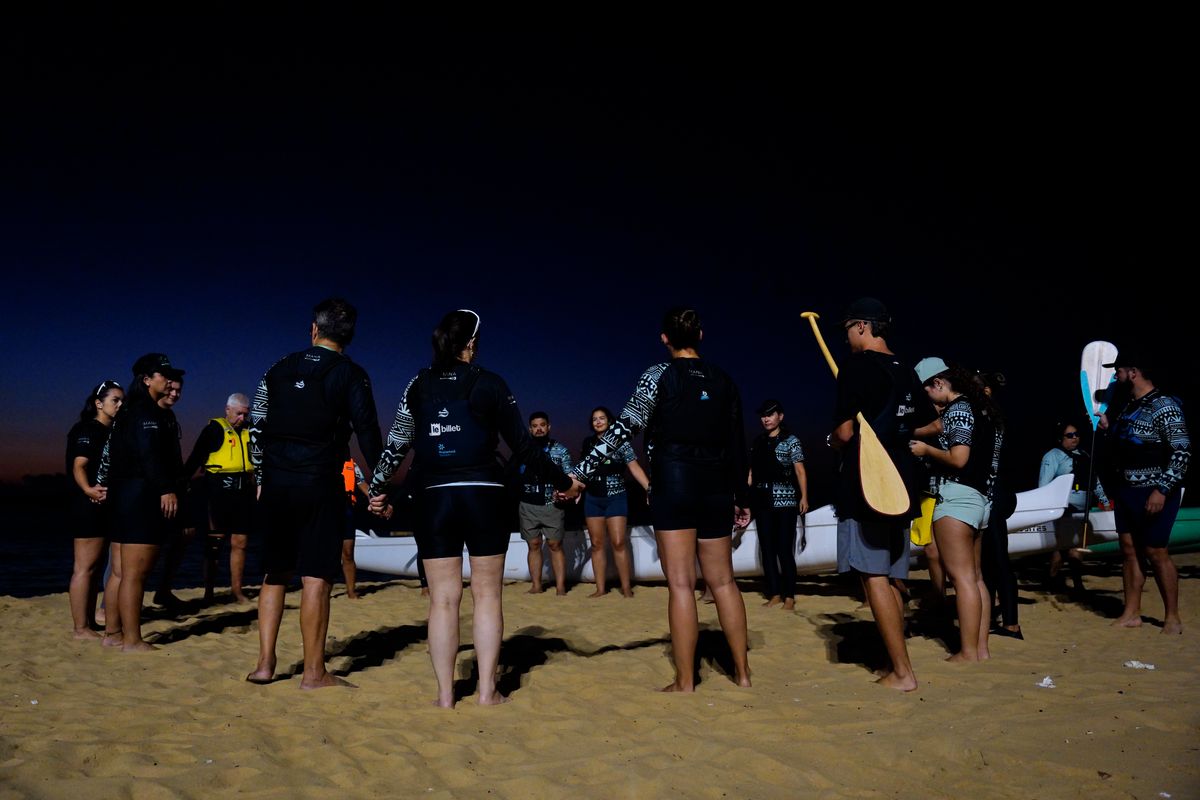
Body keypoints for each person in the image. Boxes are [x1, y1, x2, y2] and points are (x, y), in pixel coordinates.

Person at [368, 309, 575, 707]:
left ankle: (446, 696)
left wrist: (378, 489)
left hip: (434, 497)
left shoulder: (417, 384)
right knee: (487, 595)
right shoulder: (490, 383)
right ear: (472, 344)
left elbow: (397, 443)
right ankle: (486, 692)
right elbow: (523, 447)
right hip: (484, 494)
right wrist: (565, 482)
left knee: (443, 599)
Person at [567, 307, 751, 692]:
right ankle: (743, 675)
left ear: (664, 338)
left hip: (674, 481)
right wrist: (742, 495)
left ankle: (685, 682)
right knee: (723, 582)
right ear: (700, 336)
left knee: (681, 585)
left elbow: (623, 429)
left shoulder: (657, 375)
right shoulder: (724, 379)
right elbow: (737, 443)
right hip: (717, 484)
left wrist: (581, 473)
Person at [245, 298, 383, 688]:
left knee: (274, 573)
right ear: (349, 336)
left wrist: (261, 477)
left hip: (277, 483)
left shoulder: (278, 367)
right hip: (320, 483)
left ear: (314, 329)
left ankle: (265, 665)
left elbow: (257, 424)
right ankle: (313, 673)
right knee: (316, 577)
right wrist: (382, 483)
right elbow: (367, 433)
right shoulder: (351, 373)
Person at [830, 298, 928, 691]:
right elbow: (932, 424)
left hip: (869, 484)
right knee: (894, 576)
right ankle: (893, 662)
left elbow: (844, 433)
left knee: (874, 577)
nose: (846, 338)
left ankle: (902, 672)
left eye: (847, 329)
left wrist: (837, 441)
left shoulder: (855, 367)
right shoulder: (906, 369)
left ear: (862, 326)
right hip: (903, 482)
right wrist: (896, 432)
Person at [909, 356, 1001, 663]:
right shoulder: (981, 410)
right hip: (980, 499)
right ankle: (981, 649)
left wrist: (926, 450)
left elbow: (959, 458)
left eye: (927, 389)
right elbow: (937, 426)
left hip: (956, 499)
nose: (926, 397)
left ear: (938, 383)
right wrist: (910, 432)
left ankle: (968, 652)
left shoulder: (958, 410)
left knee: (961, 580)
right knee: (975, 578)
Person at [98, 353, 185, 651]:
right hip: (140, 497)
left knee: (120, 573)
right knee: (135, 575)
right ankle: (132, 640)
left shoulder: (128, 410)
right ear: (147, 379)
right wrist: (166, 488)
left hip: (122, 497)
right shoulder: (146, 412)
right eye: (164, 375)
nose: (169, 380)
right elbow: (149, 455)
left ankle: (112, 634)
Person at [1100, 349, 1190, 634]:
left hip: (1153, 491)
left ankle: (1172, 617)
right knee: (1128, 550)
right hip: (1126, 489)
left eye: (1118, 370)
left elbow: (1182, 452)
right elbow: (1127, 443)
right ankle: (1131, 613)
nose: (1115, 375)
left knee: (1156, 551)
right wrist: (1108, 428)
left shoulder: (1165, 405)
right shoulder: (1129, 405)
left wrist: (1162, 491)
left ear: (1133, 372)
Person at [176, 392, 256, 603]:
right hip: (218, 492)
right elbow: (195, 458)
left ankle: (237, 591)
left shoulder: (250, 431)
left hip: (243, 492)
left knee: (240, 542)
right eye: (238, 414)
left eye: (245, 414)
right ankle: (209, 592)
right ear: (227, 410)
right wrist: (181, 484)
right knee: (215, 543)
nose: (242, 418)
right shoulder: (213, 430)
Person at [66, 379, 124, 639]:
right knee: (84, 567)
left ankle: (88, 621)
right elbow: (79, 465)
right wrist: (88, 489)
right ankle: (80, 628)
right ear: (99, 403)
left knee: (96, 568)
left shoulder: (112, 431)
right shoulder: (87, 429)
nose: (120, 405)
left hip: (105, 506)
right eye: (115, 400)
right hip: (88, 505)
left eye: (122, 401)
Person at [580, 405, 649, 598]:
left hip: (616, 497)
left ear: (609, 421)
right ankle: (600, 589)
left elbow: (634, 468)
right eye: (594, 419)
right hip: (592, 499)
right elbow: (583, 471)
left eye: (602, 418)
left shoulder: (621, 442)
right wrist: (576, 490)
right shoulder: (588, 443)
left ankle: (626, 588)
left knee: (618, 542)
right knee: (596, 544)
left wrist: (649, 489)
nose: (598, 422)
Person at [748, 399, 808, 610]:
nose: (766, 419)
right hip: (762, 501)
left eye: (770, 414)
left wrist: (804, 497)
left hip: (786, 501)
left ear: (780, 417)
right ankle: (774, 593)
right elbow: (752, 472)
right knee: (767, 549)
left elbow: (800, 470)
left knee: (784, 549)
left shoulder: (791, 441)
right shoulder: (758, 441)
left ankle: (789, 596)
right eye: (763, 415)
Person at [1039, 419, 1110, 596]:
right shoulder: (1052, 456)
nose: (1074, 438)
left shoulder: (1084, 454)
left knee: (1077, 547)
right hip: (1063, 509)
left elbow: (1094, 481)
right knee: (1060, 550)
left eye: (1076, 434)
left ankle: (1077, 585)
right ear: (1060, 438)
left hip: (1082, 509)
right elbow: (1043, 486)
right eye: (1070, 435)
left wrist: (1105, 502)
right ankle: (1052, 581)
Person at [974, 371, 1019, 639]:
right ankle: (992, 615)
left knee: (999, 557)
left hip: (995, 493)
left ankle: (1012, 623)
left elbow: (994, 462)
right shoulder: (994, 418)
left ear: (987, 391)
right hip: (994, 492)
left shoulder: (992, 420)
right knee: (989, 558)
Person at [517, 411, 574, 595]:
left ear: (549, 427)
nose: (539, 429)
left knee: (555, 545)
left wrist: (564, 491)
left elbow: (571, 476)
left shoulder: (560, 450)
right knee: (533, 545)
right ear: (530, 429)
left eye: (542, 425)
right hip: (528, 504)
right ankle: (536, 586)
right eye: (535, 426)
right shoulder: (523, 450)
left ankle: (560, 588)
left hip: (553, 505)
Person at [340, 456, 369, 599]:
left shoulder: (352, 464)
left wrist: (376, 498)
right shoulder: (320, 457)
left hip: (346, 510)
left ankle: (351, 592)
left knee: (348, 552)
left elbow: (361, 483)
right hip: (325, 509)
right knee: (324, 552)